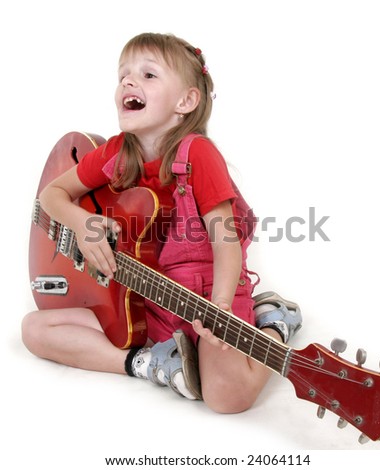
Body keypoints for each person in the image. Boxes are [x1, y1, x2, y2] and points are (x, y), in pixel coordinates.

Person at [22, 33, 302, 413]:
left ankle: (271, 323)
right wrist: (84, 225)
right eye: (123, 75)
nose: (128, 82)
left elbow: (225, 242)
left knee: (226, 398)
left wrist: (221, 305)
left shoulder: (198, 154)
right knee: (34, 330)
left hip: (209, 294)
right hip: (143, 298)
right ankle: (150, 364)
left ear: (186, 101)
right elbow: (51, 196)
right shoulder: (118, 151)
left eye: (148, 75)